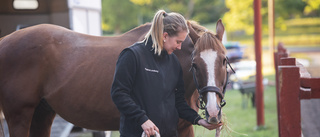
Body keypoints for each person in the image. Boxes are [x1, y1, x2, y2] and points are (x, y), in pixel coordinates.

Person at [111, 10, 222, 137]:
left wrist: (199, 120)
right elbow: (118, 93)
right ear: (164, 36)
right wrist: (143, 120)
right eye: (178, 42)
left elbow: (178, 102)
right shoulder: (132, 55)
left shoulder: (174, 62)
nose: (179, 47)